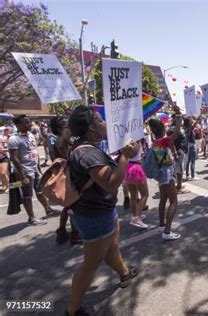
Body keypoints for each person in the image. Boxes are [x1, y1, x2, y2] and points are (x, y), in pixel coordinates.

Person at [66, 106, 139, 316]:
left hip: (102, 211)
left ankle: (124, 273)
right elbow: (110, 183)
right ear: (91, 127)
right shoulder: (87, 153)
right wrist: (125, 156)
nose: (105, 122)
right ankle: (73, 309)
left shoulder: (88, 147)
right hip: (94, 215)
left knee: (111, 247)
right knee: (91, 263)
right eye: (100, 119)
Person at [8, 115, 58, 225]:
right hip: (25, 171)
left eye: (29, 122)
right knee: (27, 195)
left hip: (34, 169)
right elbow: (14, 158)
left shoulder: (30, 135)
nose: (29, 124)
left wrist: (39, 168)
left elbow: (33, 152)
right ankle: (32, 218)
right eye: (26, 123)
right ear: (17, 125)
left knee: (40, 191)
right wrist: (23, 175)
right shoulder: (14, 139)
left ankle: (48, 210)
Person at [148, 105, 183, 240]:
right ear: (162, 129)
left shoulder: (155, 141)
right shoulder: (163, 140)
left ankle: (162, 225)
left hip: (161, 173)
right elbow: (178, 132)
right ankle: (167, 232)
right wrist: (178, 114)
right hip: (167, 173)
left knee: (163, 200)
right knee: (173, 201)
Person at [47, 116, 83, 245]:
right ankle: (75, 234)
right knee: (73, 205)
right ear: (59, 128)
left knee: (68, 205)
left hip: (67, 174)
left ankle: (62, 231)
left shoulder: (62, 140)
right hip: (68, 176)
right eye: (64, 124)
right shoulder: (61, 140)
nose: (67, 126)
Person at [125, 141, 149, 229]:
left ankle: (136, 215)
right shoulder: (133, 141)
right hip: (135, 168)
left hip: (128, 166)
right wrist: (138, 145)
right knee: (145, 194)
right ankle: (135, 218)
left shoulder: (126, 141)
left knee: (133, 195)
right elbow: (132, 153)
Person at [0, 127, 10, 193]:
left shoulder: (3, 138)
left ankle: (10, 187)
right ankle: (4, 186)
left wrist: (3, 150)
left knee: (3, 173)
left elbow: (8, 148)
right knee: (1, 173)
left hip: (4, 157)